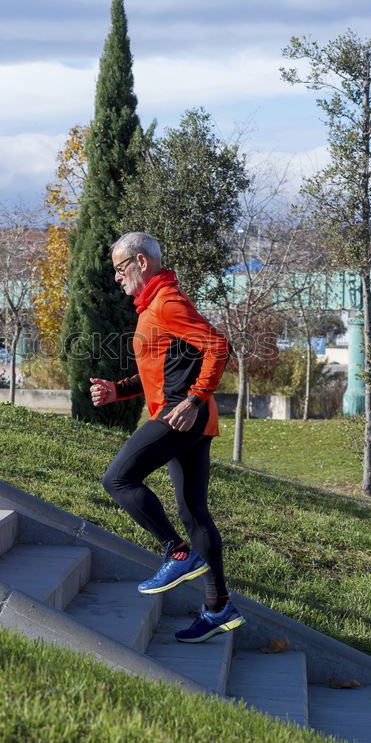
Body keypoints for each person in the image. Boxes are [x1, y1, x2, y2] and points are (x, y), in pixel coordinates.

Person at [90, 232, 245, 642]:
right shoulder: (154, 304)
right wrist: (117, 390)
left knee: (118, 479)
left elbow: (217, 345)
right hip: (191, 416)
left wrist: (194, 399)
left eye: (121, 269)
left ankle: (177, 552)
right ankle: (217, 607)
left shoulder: (166, 302)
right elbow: (163, 369)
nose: (118, 279)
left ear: (141, 262)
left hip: (182, 416)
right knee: (194, 512)